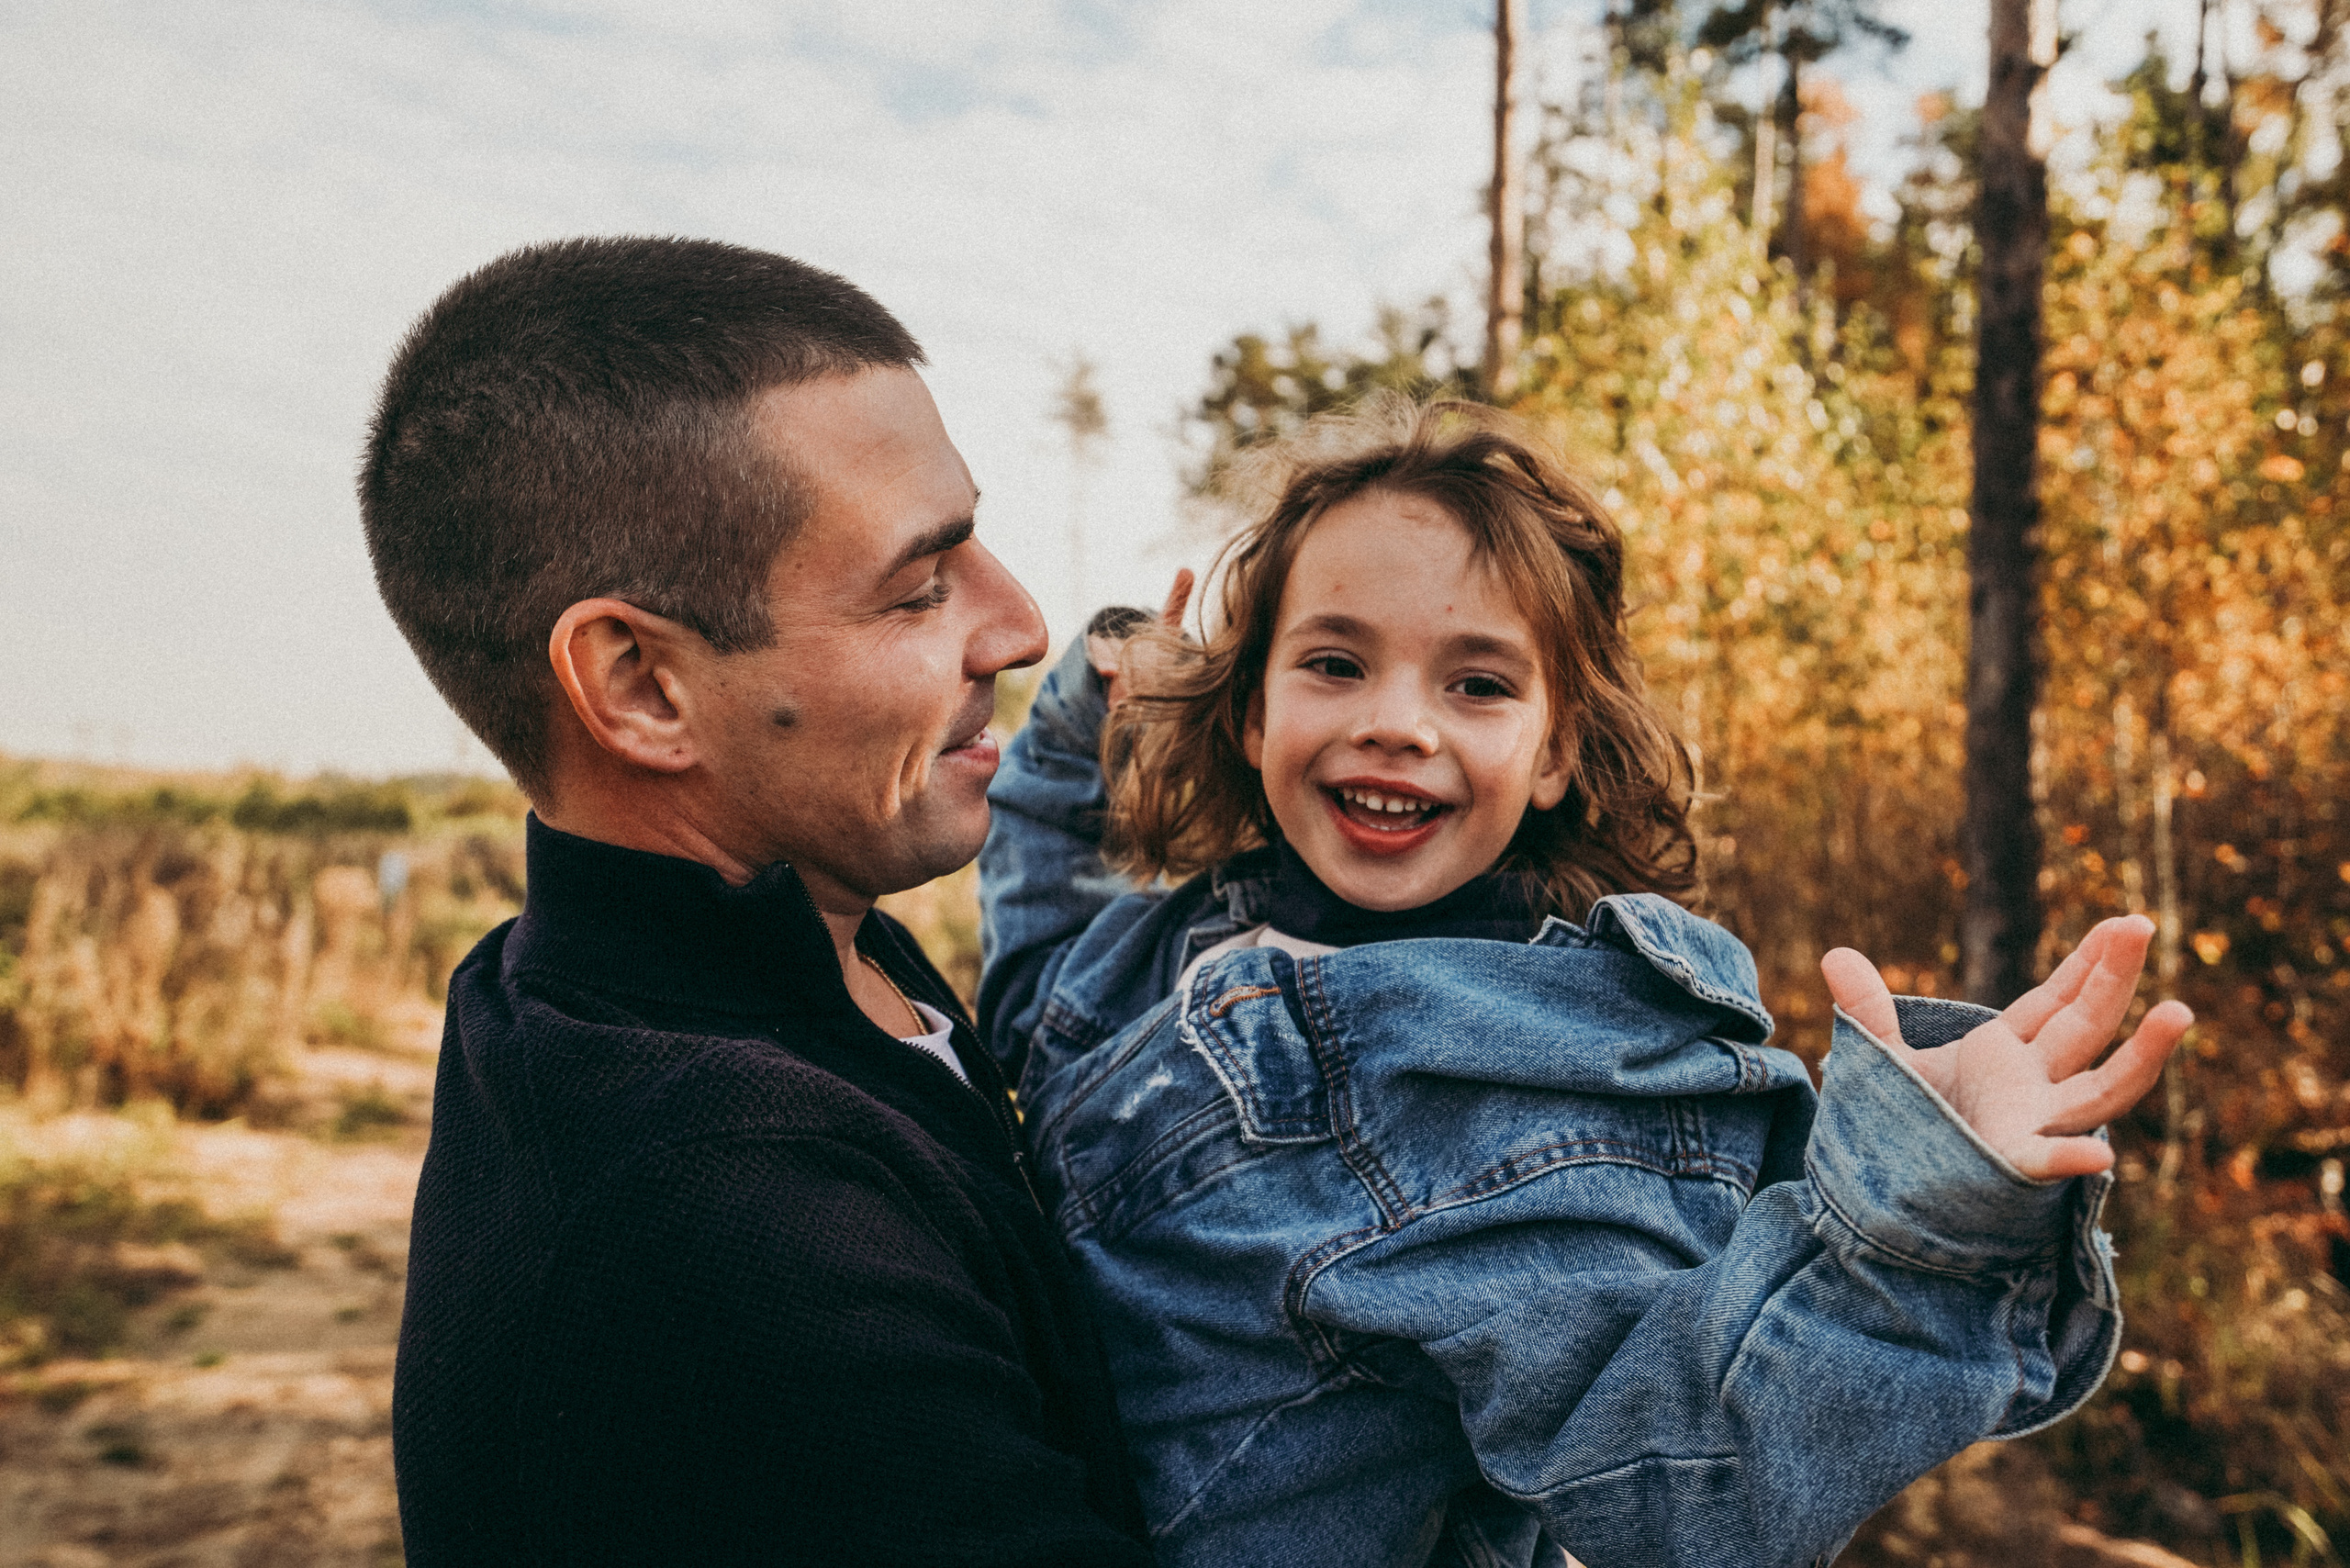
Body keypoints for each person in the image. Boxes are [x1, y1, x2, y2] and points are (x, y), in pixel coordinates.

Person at [977, 397, 2191, 1568]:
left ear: (1557, 750)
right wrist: (1088, 708)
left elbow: (1686, 1479)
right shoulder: (1180, 942)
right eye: (1336, 664)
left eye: (1479, 684)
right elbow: (1038, 985)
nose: (1398, 722)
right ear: (1250, 714)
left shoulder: (1548, 1077)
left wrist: (1931, 1195)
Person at [362, 237, 1154, 1564]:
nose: (1020, 627)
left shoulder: (790, 944)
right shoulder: (731, 1223)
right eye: (918, 585)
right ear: (638, 686)